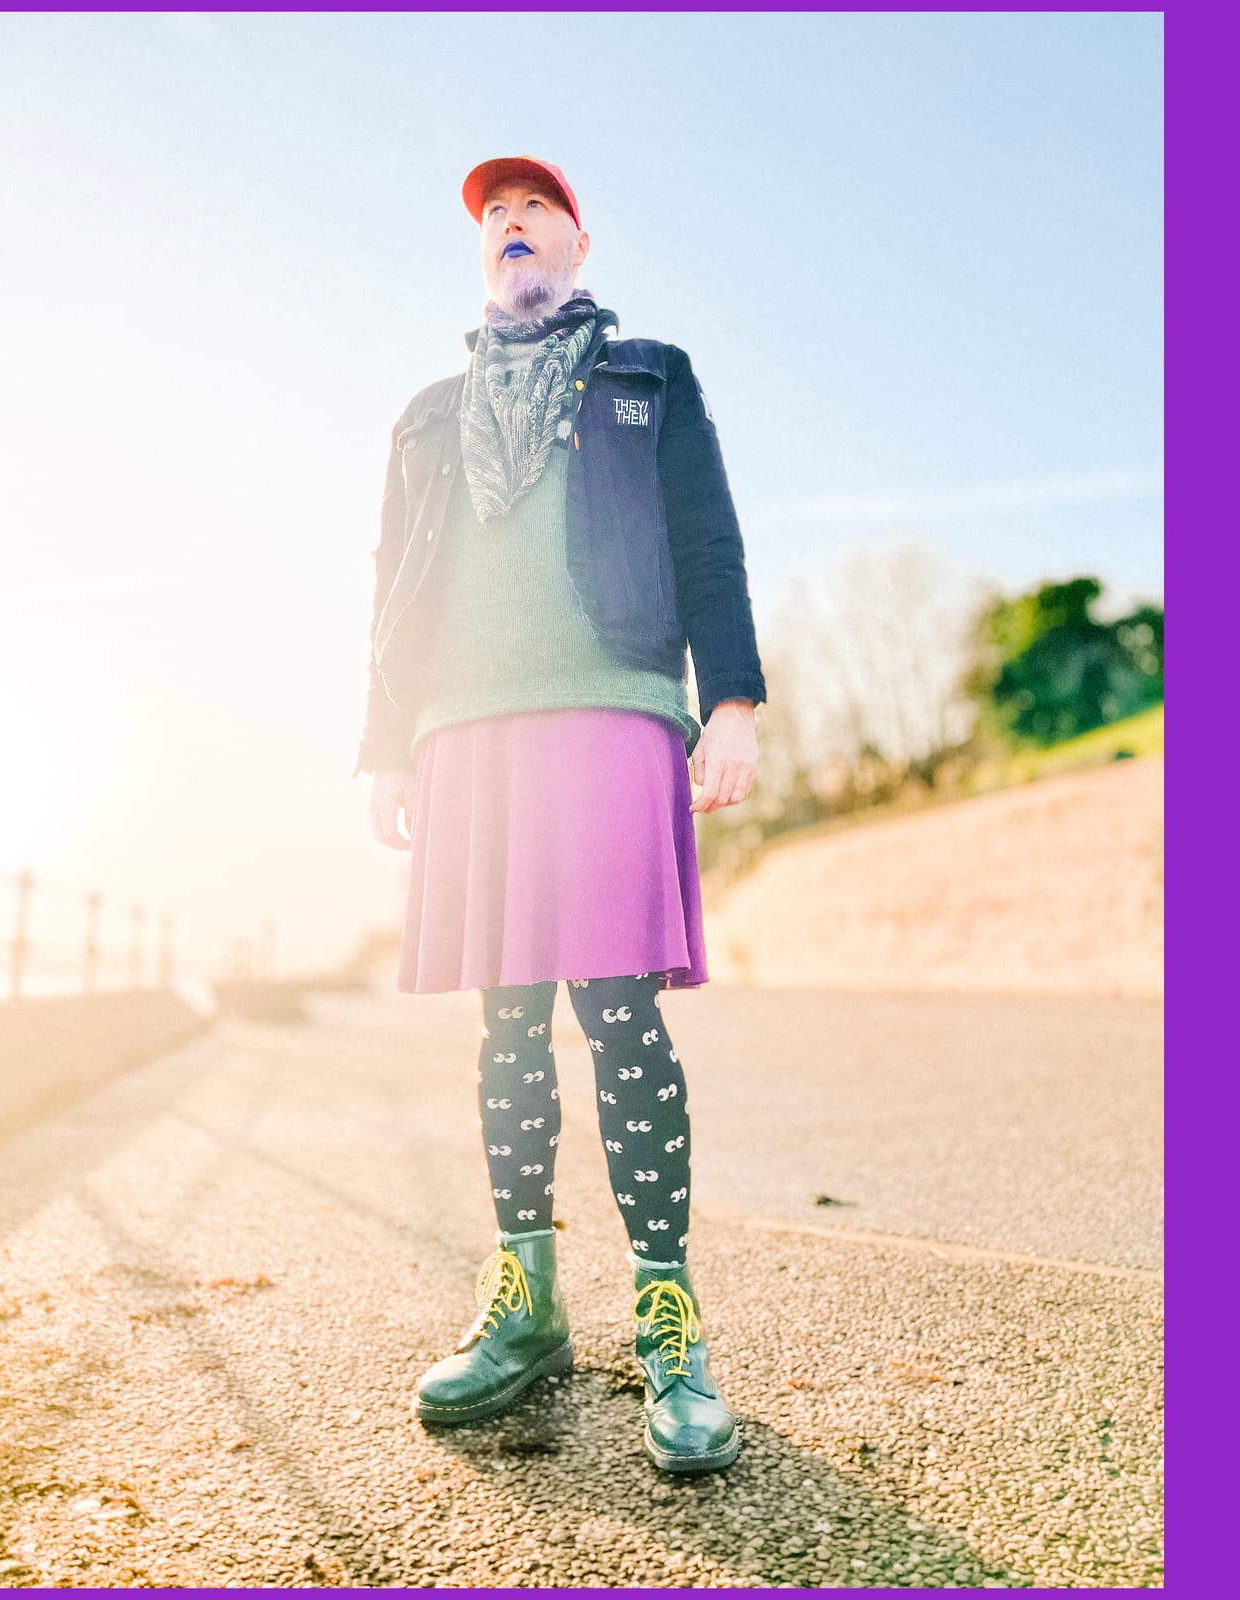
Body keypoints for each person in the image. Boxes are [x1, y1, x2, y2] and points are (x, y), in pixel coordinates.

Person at [353, 155, 767, 1474]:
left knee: (618, 1009)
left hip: (608, 697)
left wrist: (737, 700)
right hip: (463, 727)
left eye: (534, 210)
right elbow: (393, 585)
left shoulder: (647, 376)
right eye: (492, 218)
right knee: (508, 1017)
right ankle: (526, 1304)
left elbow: (707, 535)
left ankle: (668, 1324)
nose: (511, 227)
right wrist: (382, 745)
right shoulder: (426, 415)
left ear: (577, 241)